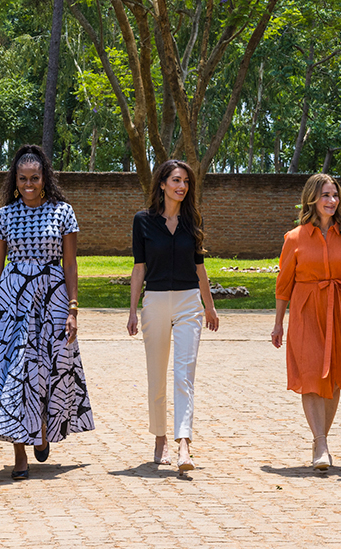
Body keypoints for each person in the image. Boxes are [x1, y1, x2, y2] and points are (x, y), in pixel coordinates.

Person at [0, 144, 94, 480]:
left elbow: (70, 264)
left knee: (46, 368)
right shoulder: (4, 216)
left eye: (35, 178)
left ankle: (40, 427)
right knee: (14, 372)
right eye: (23, 178)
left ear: (45, 179)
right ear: (15, 180)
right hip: (12, 303)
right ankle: (20, 455)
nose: (29, 184)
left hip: (52, 299)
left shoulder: (63, 212)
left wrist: (73, 309)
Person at [271, 173, 341, 470]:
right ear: (312, 199)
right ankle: (321, 443)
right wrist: (278, 323)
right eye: (325, 195)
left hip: (340, 310)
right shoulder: (294, 238)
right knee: (310, 374)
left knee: (333, 378)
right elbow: (283, 285)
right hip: (305, 310)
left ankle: (320, 440)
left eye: (335, 195)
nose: (332, 201)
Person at [126, 160, 219, 471]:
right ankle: (160, 437)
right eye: (176, 180)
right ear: (162, 184)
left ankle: (184, 445)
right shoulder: (142, 221)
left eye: (186, 182)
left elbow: (199, 268)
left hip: (188, 302)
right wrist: (132, 310)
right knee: (157, 375)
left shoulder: (193, 220)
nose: (182, 186)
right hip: (154, 301)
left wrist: (210, 305)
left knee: (184, 374)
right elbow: (139, 268)